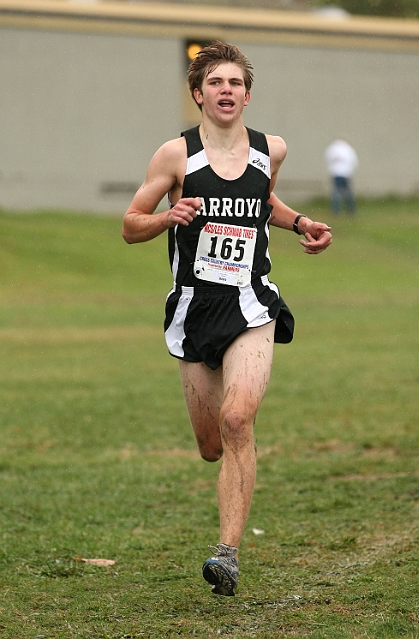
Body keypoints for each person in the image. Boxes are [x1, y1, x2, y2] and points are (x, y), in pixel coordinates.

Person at [122, 41, 332, 597]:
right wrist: (170, 215)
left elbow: (265, 202)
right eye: (216, 82)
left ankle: (228, 554)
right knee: (212, 443)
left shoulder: (270, 149)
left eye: (236, 83)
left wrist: (301, 222)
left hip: (251, 302)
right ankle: (231, 465)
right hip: (195, 308)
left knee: (238, 421)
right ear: (198, 93)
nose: (227, 91)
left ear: (247, 94)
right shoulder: (175, 156)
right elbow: (130, 223)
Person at [324, 138, 358, 214]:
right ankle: (350, 210)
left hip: (336, 174)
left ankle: (336, 211)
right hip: (346, 174)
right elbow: (353, 160)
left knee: (336, 193)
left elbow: (328, 160)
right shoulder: (348, 148)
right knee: (348, 193)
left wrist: (332, 170)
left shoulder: (332, 148)